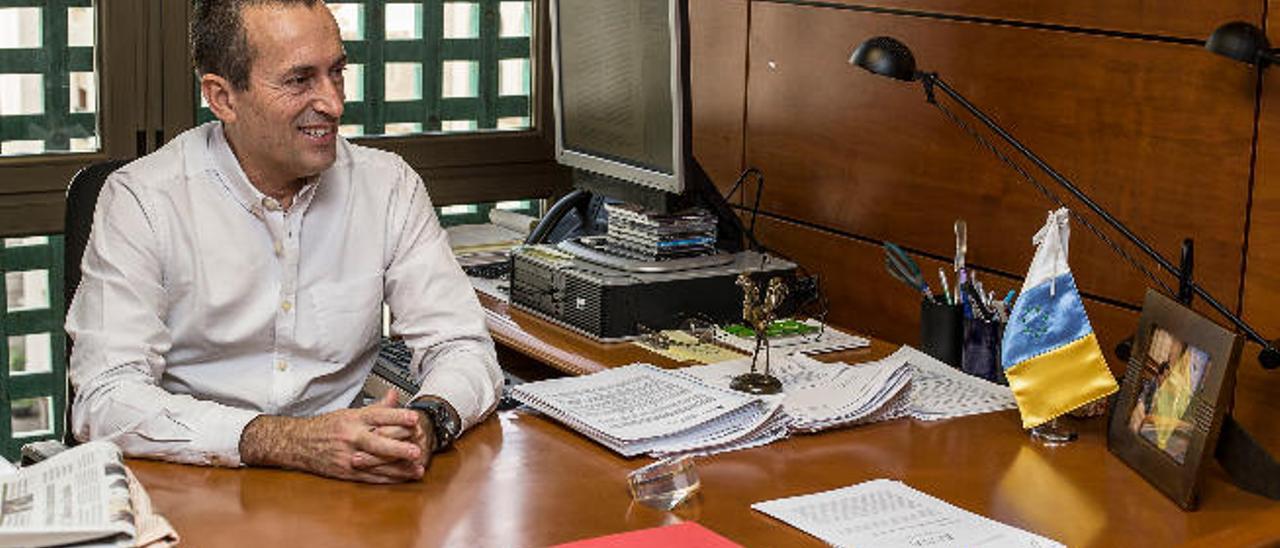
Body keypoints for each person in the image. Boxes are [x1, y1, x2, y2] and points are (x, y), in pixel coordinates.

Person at [65, 0, 503, 484]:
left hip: (345, 485)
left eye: (336, 72)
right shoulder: (143, 199)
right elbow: (105, 398)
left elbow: (462, 345)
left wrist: (428, 420)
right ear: (222, 97)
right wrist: (283, 441)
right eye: (299, 80)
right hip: (195, 481)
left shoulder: (388, 185)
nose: (334, 104)